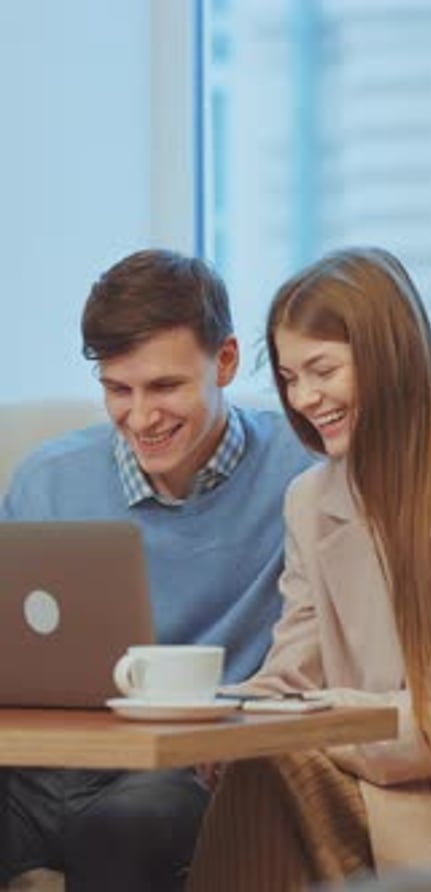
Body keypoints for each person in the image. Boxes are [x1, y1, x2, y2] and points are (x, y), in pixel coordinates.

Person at [186, 246, 431, 891]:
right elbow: (292, 666)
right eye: (289, 377)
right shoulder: (310, 499)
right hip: (353, 771)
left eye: (321, 370)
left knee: (275, 765)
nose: (304, 398)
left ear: (389, 357)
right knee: (257, 763)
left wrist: (307, 724)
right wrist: (225, 719)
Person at [0, 249, 312, 892]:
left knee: (127, 828)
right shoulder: (46, 480)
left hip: (180, 776)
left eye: (165, 386)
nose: (140, 418)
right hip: (39, 771)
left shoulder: (304, 472)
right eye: (119, 390)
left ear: (224, 361)